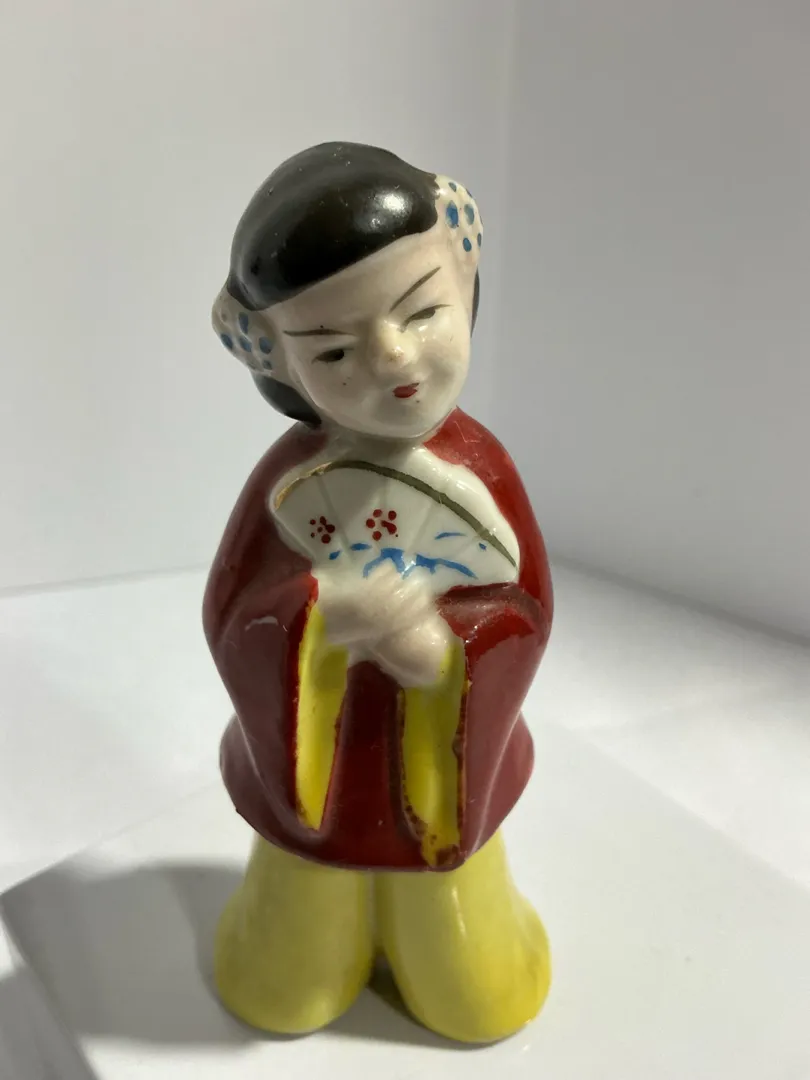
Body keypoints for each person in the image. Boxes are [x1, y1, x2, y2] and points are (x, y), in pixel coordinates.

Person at [204, 142, 554, 1042]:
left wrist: (442, 655)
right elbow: (232, 614)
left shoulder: (480, 470)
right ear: (280, 360)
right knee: (287, 975)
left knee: (472, 989)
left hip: (443, 766)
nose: (393, 357)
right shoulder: (290, 484)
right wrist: (321, 617)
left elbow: (526, 610)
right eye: (332, 349)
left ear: (464, 277)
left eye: (422, 310)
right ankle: (300, 959)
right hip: (318, 774)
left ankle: (458, 959)